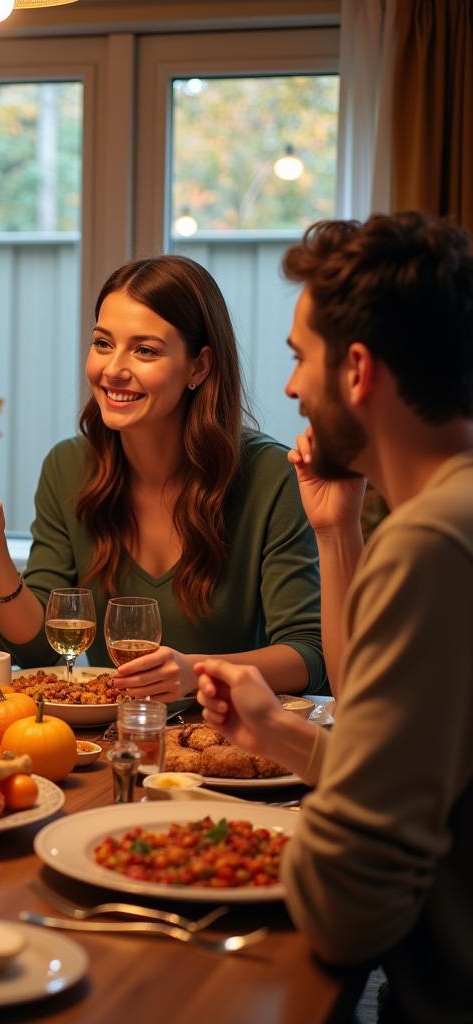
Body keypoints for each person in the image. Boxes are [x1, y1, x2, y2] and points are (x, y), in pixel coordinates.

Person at [195, 211, 473, 1022]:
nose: (289, 389)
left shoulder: (429, 544)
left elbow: (348, 909)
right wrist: (280, 736)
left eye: (297, 358)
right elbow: (424, 770)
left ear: (357, 370)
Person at [0, 254, 325, 697]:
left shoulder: (270, 476)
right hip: (113, 738)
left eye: (145, 350)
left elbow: (307, 655)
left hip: (228, 739)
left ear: (199, 367)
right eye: (103, 343)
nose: (113, 369)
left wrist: (194, 672)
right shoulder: (67, 467)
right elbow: (38, 648)